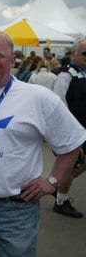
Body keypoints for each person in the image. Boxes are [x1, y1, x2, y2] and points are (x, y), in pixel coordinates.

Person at [0, 30, 86, 257]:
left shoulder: (38, 97)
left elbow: (73, 140)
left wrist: (52, 181)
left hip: (15, 211)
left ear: (12, 61)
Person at [52, 38, 86, 218]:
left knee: (75, 167)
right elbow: (59, 105)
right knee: (70, 166)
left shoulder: (83, 74)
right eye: (84, 53)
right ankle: (61, 201)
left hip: (83, 130)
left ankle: (56, 185)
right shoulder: (67, 75)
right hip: (71, 131)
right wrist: (68, 131)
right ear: (74, 54)